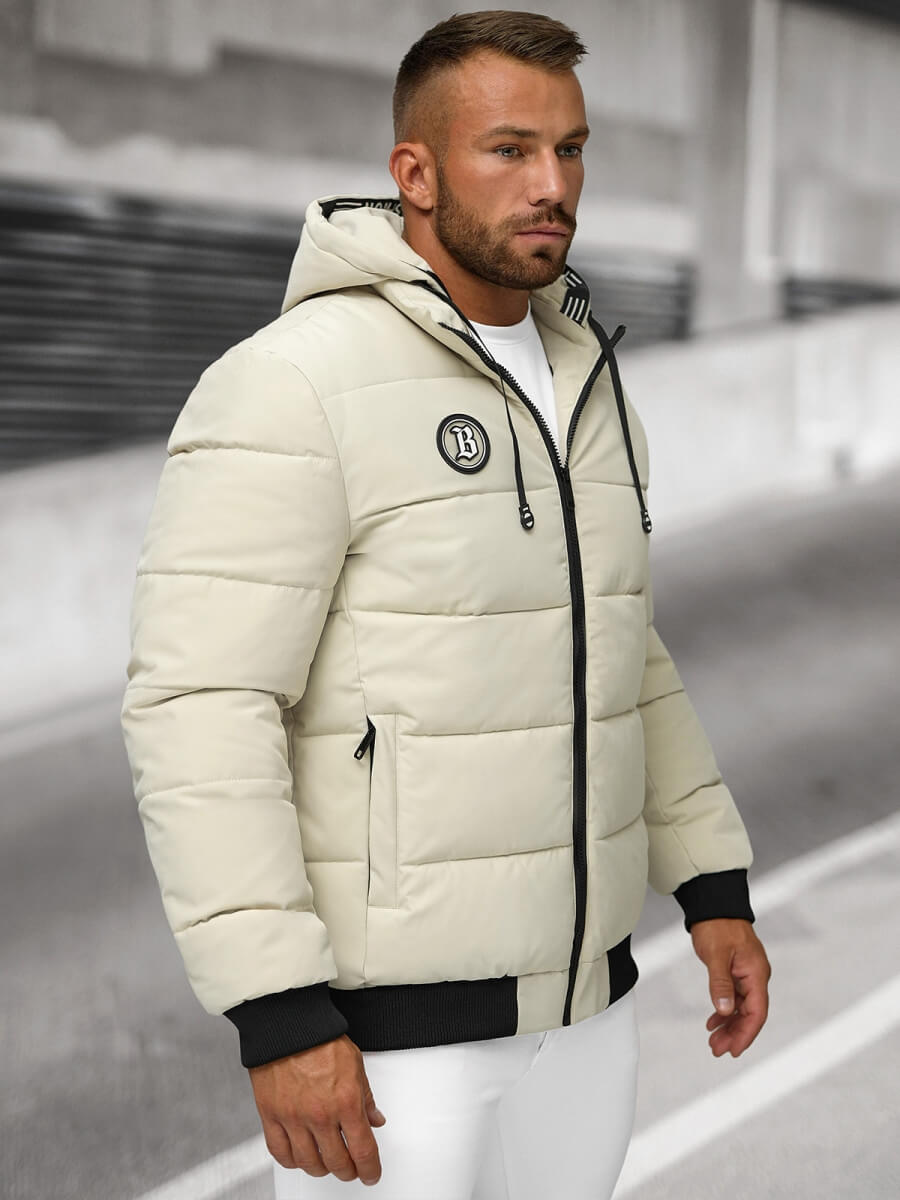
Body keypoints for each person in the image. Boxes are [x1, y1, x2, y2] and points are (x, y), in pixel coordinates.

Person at [120, 10, 771, 1199]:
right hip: (389, 1047)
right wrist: (276, 1007)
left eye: (570, 150)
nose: (552, 185)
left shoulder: (586, 377)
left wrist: (711, 888)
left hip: (586, 1012)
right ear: (414, 174)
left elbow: (621, 645)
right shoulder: (293, 383)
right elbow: (202, 706)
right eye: (509, 150)